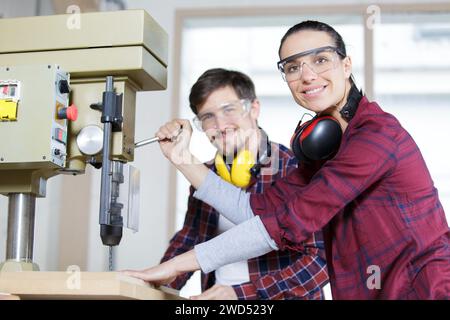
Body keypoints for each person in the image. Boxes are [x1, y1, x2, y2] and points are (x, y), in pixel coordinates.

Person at [124, 21, 450, 299]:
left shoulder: (375, 135)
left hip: (423, 287)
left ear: (346, 65)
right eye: (293, 67)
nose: (307, 75)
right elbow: (256, 210)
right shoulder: (323, 151)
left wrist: (178, 266)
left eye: (320, 60)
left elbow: (288, 223)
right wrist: (181, 158)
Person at [135, 68, 328, 300]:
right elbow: (189, 239)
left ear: (254, 108)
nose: (220, 124)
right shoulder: (204, 175)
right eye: (207, 117)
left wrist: (241, 294)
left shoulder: (296, 168)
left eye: (229, 109)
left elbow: (320, 260)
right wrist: (149, 287)